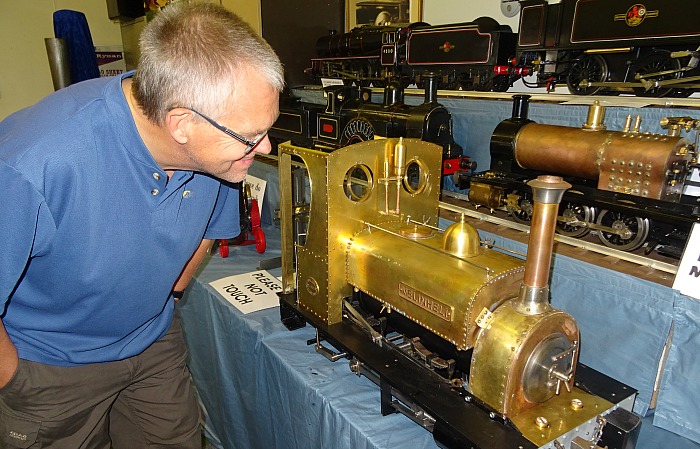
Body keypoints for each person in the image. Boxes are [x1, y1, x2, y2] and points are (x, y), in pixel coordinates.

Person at [0, 2, 284, 448]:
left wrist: (166, 295)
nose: (264, 147)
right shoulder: (30, 163)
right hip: (51, 368)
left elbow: (211, 228)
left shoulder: (219, 157)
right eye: (250, 136)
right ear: (181, 124)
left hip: (152, 343)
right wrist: (16, 382)